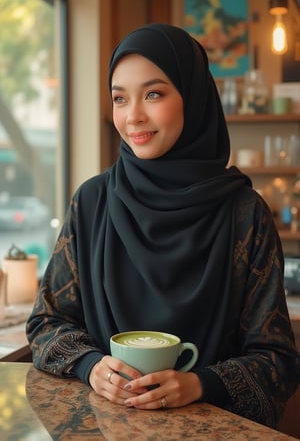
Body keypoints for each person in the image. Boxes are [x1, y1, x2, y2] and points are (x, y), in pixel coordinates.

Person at [26, 23, 300, 428]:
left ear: (192, 98)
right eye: (120, 98)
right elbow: (46, 322)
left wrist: (199, 384)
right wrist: (91, 366)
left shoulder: (245, 214)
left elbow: (276, 360)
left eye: (154, 94)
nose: (133, 115)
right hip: (107, 429)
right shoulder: (92, 202)